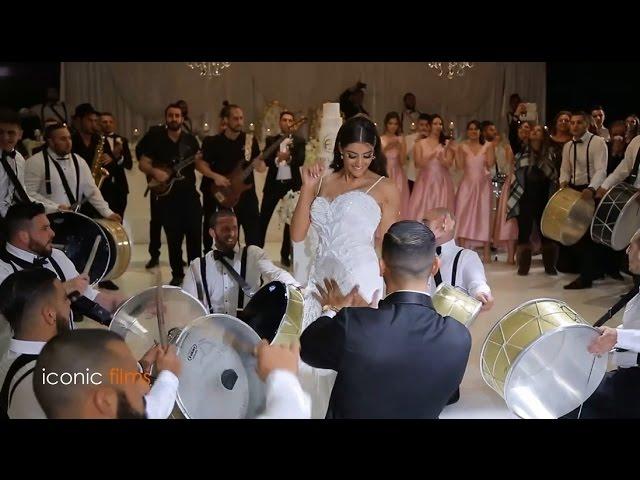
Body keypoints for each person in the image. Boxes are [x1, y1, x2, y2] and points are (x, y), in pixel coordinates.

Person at [300, 221, 471, 418]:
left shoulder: (353, 326)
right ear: (435, 266)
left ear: (381, 267)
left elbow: (308, 348)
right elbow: (449, 395)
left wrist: (332, 309)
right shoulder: (458, 336)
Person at [290, 114, 400, 418]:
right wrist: (307, 188)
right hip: (320, 279)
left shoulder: (384, 187)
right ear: (340, 149)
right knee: (315, 354)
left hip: (360, 280)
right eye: (352, 155)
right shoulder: (322, 180)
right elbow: (298, 235)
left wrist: (390, 295)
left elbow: (389, 245)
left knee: (353, 359)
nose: (359, 163)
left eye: (367, 156)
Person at [564, 229, 640, 418]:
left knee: (569, 403)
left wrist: (618, 337)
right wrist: (613, 333)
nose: (627, 251)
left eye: (632, 246)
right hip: (629, 378)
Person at [182, 209, 300, 316]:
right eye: (225, 229)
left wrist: (297, 288)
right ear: (212, 232)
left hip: (250, 332)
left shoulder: (254, 255)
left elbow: (276, 273)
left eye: (234, 228)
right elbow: (189, 305)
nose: (232, 234)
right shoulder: (197, 267)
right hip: (213, 333)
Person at [137, 103, 202, 286]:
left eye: (177, 115)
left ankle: (196, 274)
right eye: (171, 115)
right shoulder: (156, 139)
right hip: (167, 199)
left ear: (182, 118)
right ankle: (178, 274)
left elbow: (198, 164)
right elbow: (143, 163)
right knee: (173, 239)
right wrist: (155, 172)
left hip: (190, 196)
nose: (174, 119)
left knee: (195, 238)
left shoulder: (190, 140)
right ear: (166, 118)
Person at [259, 111, 305, 266]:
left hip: (291, 185)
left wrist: (289, 158)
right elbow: (265, 159)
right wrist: (277, 158)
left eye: (291, 120)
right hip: (274, 185)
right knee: (263, 218)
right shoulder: (271, 140)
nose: (288, 122)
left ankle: (286, 255)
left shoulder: (299, 141)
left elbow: (300, 160)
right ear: (280, 122)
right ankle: (258, 252)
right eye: (284, 120)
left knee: (290, 222)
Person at [423, 208, 494, 310]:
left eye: (426, 223)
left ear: (444, 224)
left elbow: (477, 282)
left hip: (449, 322)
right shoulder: (416, 255)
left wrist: (482, 294)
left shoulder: (466, 256)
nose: (421, 227)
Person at [0, 107, 31, 217]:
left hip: (8, 219)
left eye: (11, 132)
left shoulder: (18, 158)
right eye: (0, 132)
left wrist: (53, 208)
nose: (5, 137)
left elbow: (21, 193)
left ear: (20, 134)